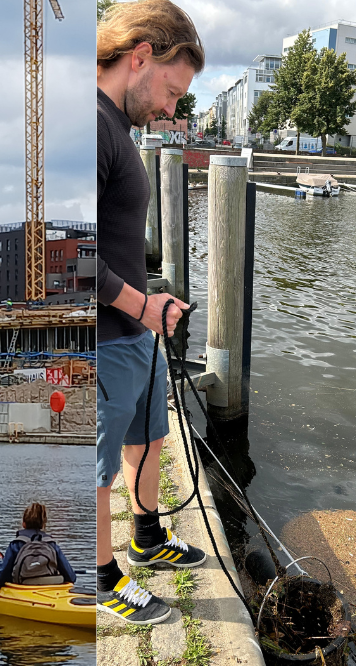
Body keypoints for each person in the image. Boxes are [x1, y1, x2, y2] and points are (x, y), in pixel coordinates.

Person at [96, 0, 207, 626]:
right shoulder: (93, 126)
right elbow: (70, 260)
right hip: (107, 337)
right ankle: (104, 578)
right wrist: (143, 305)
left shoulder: (118, 127)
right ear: (141, 57)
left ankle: (146, 536)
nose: (171, 108)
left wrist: (149, 307)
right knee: (100, 465)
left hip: (136, 331)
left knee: (150, 437)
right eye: (171, 89)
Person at [0, 503, 76, 588]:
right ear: (42, 525)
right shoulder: (52, 545)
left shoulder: (16, 545)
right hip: (50, 588)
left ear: (24, 524)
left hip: (24, 588)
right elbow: (71, 577)